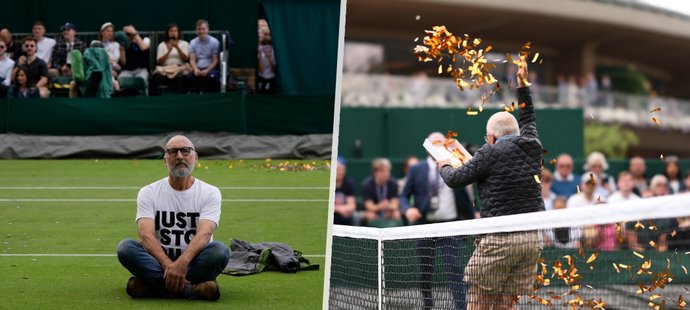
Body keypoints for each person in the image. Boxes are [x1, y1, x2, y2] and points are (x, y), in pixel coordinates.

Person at [439, 56, 543, 309]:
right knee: (507, 304)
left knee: (478, 303)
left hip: (500, 240)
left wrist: (442, 163)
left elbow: (454, 179)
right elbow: (528, 116)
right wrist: (523, 84)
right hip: (531, 241)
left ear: (492, 137)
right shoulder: (532, 144)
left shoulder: (488, 152)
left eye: (487, 137)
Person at [117, 135, 230, 300]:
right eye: (173, 152)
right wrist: (170, 267)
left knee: (220, 251)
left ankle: (152, 288)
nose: (179, 156)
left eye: (185, 150)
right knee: (125, 248)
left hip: (194, 262)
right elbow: (146, 236)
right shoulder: (148, 192)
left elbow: (205, 234)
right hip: (158, 262)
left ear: (196, 157)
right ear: (165, 160)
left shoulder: (210, 192)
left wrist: (182, 264)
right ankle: (192, 289)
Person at [401, 132, 475, 309]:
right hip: (425, 226)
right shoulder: (416, 169)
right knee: (424, 271)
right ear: (428, 146)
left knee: (454, 269)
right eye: (435, 143)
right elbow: (404, 197)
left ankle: (461, 307)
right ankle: (427, 304)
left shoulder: (456, 165)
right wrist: (408, 209)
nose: (438, 146)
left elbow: (466, 194)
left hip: (450, 226)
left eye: (441, 142)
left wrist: (473, 217)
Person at [150, 23, 190, 95]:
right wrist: (168, 51)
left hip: (179, 68)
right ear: (167, 33)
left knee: (179, 78)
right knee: (157, 77)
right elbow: (159, 61)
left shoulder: (184, 43)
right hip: (165, 68)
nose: (173, 33)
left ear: (178, 33)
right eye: (171, 31)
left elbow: (185, 58)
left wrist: (177, 47)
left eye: (175, 31)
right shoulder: (162, 44)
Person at [361, 158, 401, 225]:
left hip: (388, 210)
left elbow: (395, 204)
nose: (386, 174)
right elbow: (369, 206)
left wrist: (387, 206)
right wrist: (380, 206)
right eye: (383, 171)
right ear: (375, 172)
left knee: (396, 213)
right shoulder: (367, 184)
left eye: (388, 171)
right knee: (370, 215)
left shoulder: (393, 183)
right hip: (374, 211)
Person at [187, 19, 220, 93]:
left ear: (208, 29)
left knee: (213, 78)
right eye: (199, 29)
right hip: (197, 69)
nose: (201, 31)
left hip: (211, 69)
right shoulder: (192, 42)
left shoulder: (215, 42)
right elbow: (192, 59)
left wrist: (207, 70)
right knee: (189, 77)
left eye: (203, 29)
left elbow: (215, 60)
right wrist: (195, 69)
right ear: (196, 30)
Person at [119, 24, 151, 92]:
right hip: (127, 70)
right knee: (121, 79)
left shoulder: (145, 40)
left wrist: (133, 33)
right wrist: (122, 50)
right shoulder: (123, 44)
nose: (130, 35)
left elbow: (143, 47)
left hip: (141, 69)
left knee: (141, 79)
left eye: (130, 33)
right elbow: (123, 63)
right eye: (127, 34)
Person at [333, 157, 356, 225]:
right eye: (338, 169)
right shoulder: (326, 184)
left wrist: (339, 209)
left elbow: (352, 206)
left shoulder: (349, 183)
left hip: (344, 217)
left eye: (342, 170)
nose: (340, 172)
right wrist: (339, 209)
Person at [257, 20, 276, 93]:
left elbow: (274, 69)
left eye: (269, 34)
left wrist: (269, 58)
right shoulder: (259, 48)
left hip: (272, 79)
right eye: (265, 34)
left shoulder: (274, 49)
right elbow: (261, 70)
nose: (267, 36)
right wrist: (261, 55)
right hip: (261, 78)